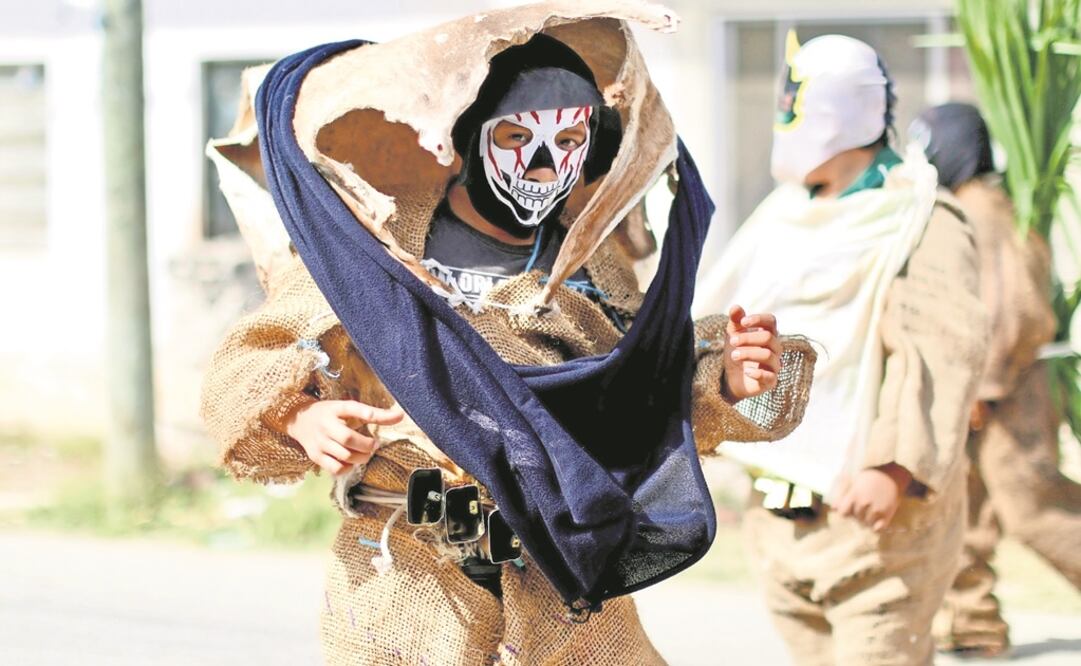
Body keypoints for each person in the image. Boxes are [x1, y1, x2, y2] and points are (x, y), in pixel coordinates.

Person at [200, 5, 814, 665]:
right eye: (519, 137)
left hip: (561, 576)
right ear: (466, 140)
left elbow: (635, 391)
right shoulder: (375, 246)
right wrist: (301, 414)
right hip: (406, 572)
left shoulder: (590, 262)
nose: (547, 165)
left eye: (570, 139)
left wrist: (721, 379)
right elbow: (244, 364)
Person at [694, 33, 987, 665]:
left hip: (877, 530)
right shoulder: (787, 213)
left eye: (793, 102)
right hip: (783, 523)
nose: (783, 117)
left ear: (834, 109)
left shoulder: (919, 216)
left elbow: (939, 356)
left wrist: (895, 467)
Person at [910, 102, 1081, 658]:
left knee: (1034, 508)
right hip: (977, 388)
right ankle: (972, 624)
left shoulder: (983, 208)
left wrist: (982, 388)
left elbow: (1014, 310)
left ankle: (971, 622)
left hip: (1010, 389)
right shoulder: (956, 206)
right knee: (963, 506)